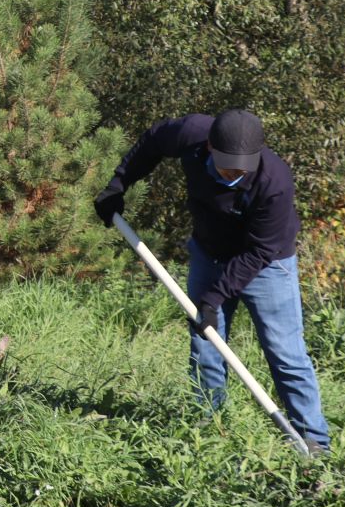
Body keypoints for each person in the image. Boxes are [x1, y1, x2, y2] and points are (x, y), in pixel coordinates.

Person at [93, 109, 331, 454]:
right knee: (206, 346)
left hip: (266, 266)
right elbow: (152, 142)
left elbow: (259, 251)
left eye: (242, 168)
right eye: (228, 165)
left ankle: (315, 443)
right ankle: (209, 434)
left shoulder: (274, 180)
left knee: (285, 352)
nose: (235, 173)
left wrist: (214, 297)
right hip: (209, 254)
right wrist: (118, 185)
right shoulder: (190, 134)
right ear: (209, 146)